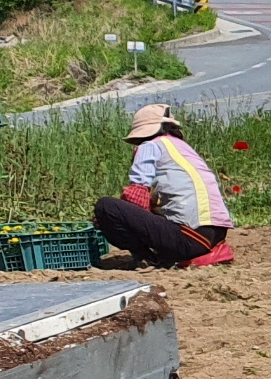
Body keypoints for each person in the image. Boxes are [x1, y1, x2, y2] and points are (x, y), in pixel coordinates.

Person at [92, 104, 235, 268]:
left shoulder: (149, 146)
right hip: (213, 236)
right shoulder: (184, 149)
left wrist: (111, 219)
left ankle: (146, 258)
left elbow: (136, 196)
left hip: (189, 238)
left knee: (106, 207)